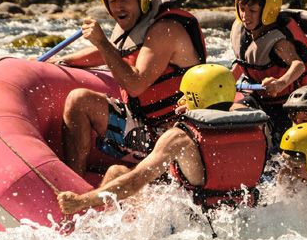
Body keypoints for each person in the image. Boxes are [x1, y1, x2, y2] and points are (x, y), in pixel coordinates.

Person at [57, 64, 268, 214]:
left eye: (186, 95)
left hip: (191, 222)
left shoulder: (179, 137)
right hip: (242, 214)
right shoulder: (256, 127)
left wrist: (80, 202)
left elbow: (134, 182)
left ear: (194, 96)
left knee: (116, 172)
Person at [58, 0, 207, 176]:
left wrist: (101, 41)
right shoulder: (135, 27)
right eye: (113, 1)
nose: (119, 6)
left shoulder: (165, 30)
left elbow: (135, 85)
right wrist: (61, 60)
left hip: (176, 133)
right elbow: (109, 52)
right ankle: (74, 183)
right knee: (79, 100)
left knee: (115, 172)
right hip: (144, 125)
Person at [230, 0, 307, 146]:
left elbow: (298, 65)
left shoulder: (278, 40)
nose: (245, 16)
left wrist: (279, 83)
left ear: (268, 10)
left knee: (282, 145)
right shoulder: (242, 32)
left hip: (285, 105)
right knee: (233, 111)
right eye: (242, 9)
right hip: (258, 98)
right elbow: (242, 63)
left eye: (252, 11)